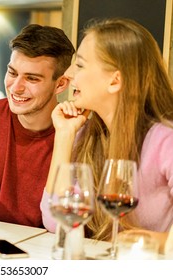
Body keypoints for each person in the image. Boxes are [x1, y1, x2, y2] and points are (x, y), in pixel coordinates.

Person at [40, 18, 173, 241]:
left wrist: (132, 241)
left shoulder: (166, 141)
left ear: (115, 81)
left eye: (80, 65)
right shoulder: (86, 135)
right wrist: (64, 135)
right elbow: (56, 223)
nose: (69, 73)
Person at [0, 24, 75, 227]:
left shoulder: (73, 132)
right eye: (12, 72)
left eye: (32, 78)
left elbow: (73, 220)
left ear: (60, 84)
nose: (16, 87)